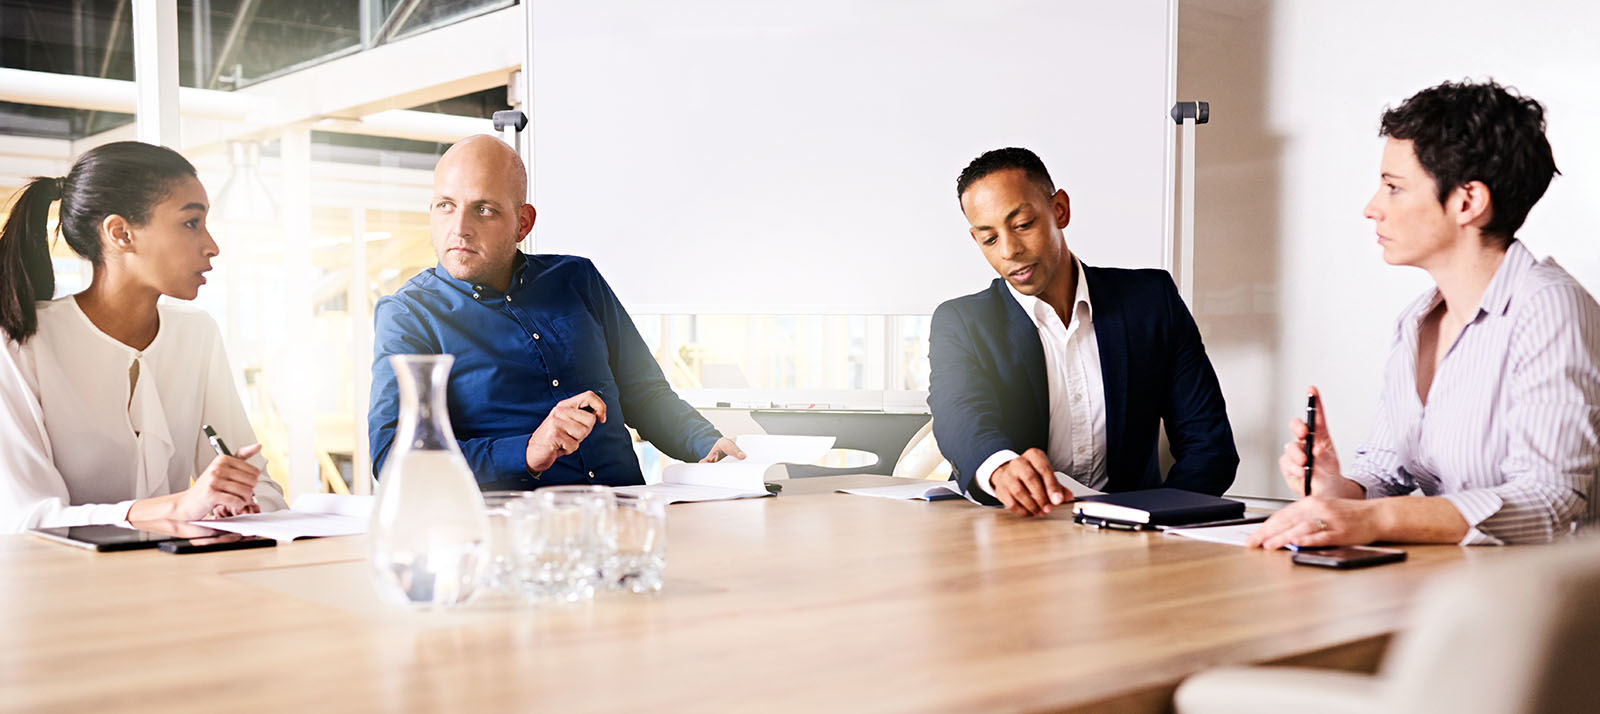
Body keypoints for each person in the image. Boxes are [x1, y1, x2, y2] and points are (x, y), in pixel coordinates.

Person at [1249, 80, 1600, 549]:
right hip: (1445, 583)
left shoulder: (1551, 308)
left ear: (1467, 202)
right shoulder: (1417, 320)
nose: (1371, 208)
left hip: (1539, 601)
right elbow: (1383, 472)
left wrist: (1376, 518)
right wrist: (1339, 490)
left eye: (1394, 188)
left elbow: (1549, 501)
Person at [369, 135, 743, 489]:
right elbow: (394, 458)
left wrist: (708, 446)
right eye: (446, 206)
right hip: (517, 533)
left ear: (523, 223)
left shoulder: (578, 278)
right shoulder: (408, 315)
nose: (460, 229)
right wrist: (528, 451)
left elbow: (643, 394)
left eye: (484, 210)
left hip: (627, 515)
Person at [929, 147, 1239, 517]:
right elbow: (959, 414)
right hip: (1014, 526)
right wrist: (1000, 467)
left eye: (1023, 224)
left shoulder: (1151, 302)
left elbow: (1209, 445)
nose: (1009, 250)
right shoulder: (962, 322)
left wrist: (1158, 520)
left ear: (1060, 210)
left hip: (1131, 530)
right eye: (989, 238)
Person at [0, 141, 286, 532]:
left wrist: (234, 502)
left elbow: (263, 490)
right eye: (191, 223)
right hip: (60, 586)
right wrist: (179, 507)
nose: (212, 246)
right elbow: (29, 518)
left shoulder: (197, 333)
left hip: (174, 579)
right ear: (121, 233)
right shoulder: (21, 343)